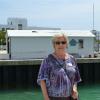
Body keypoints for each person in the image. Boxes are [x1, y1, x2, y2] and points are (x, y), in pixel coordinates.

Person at [37, 33, 81, 100]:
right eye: (57, 42)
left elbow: (75, 78)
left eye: (63, 42)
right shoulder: (47, 60)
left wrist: (75, 89)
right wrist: (46, 98)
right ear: (54, 45)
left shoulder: (72, 59)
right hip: (54, 97)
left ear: (66, 44)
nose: (61, 44)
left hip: (71, 97)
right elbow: (42, 80)